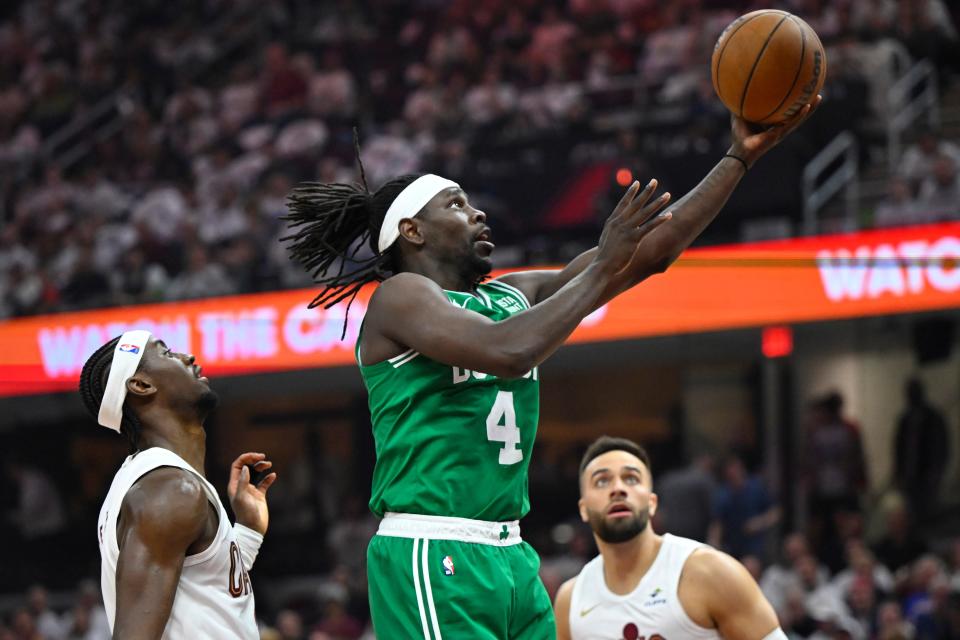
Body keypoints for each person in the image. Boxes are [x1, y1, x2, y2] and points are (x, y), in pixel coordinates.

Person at [283, 96, 819, 638]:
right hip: (431, 546)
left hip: (511, 551)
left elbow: (651, 252)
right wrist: (603, 266)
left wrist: (738, 158)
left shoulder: (517, 294)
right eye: (457, 204)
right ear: (413, 232)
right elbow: (510, 351)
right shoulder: (400, 298)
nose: (478, 213)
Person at [78, 330, 277, 639]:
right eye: (168, 353)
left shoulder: (161, 482)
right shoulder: (169, 490)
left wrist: (249, 530)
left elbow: (208, 589)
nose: (188, 357)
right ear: (142, 385)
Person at [554, 436, 785, 640]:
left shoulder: (709, 571)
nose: (618, 489)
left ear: (652, 503)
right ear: (583, 509)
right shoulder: (570, 600)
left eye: (631, 478)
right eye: (602, 481)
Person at [894, 378, 949, 522]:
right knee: (912, 512)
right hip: (910, 474)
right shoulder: (905, 419)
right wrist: (899, 473)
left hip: (927, 473)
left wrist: (936, 471)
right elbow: (899, 448)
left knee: (928, 511)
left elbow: (940, 446)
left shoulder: (932, 418)